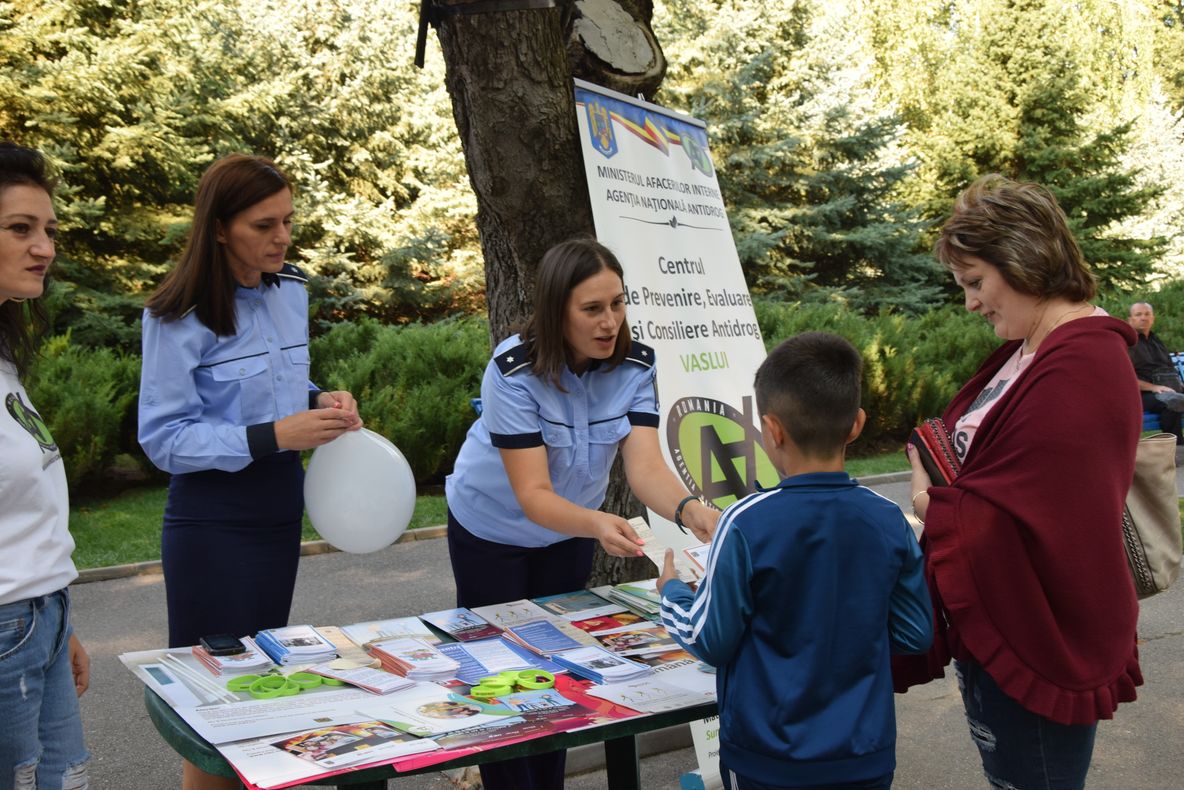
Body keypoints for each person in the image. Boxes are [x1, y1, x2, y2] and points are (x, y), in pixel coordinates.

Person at [444, 237, 720, 790]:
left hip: (566, 534)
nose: (610, 322)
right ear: (555, 310)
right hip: (491, 531)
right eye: (592, 309)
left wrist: (692, 509)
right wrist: (597, 524)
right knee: (502, 675)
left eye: (618, 304)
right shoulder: (512, 369)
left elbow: (644, 468)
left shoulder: (637, 364)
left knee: (555, 670)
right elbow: (532, 493)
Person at [899, 174, 1142, 789]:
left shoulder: (1080, 359)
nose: (971, 303)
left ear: (1023, 258)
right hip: (1003, 616)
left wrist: (934, 504)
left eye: (976, 282)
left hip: (1039, 626)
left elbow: (1049, 512)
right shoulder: (1035, 347)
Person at [138, 154, 361, 790]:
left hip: (276, 511)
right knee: (214, 701)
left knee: (264, 682)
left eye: (288, 221)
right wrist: (273, 436)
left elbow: (282, 382)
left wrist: (321, 400)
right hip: (213, 520)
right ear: (218, 228)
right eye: (265, 225)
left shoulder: (290, 291)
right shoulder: (175, 313)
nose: (283, 237)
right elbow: (164, 439)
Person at [657, 331, 933, 790]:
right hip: (863, 755)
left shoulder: (743, 522)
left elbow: (709, 639)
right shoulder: (888, 519)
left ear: (772, 430)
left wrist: (671, 593)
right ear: (857, 424)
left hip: (767, 758)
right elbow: (914, 633)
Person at [0, 142, 91, 788]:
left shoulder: (5, 362)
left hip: (40, 620)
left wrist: (60, 626)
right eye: (20, 229)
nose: (44, 248)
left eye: (49, 231)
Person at [1127, 301, 1184, 448]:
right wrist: (1153, 387)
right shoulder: (1126, 343)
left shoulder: (1156, 341)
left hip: (1168, 388)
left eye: (1147, 314)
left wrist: (1179, 383)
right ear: (1130, 319)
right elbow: (1125, 377)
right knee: (1173, 401)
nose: (1143, 318)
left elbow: (1168, 368)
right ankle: (1176, 449)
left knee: (1174, 397)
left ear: (1153, 318)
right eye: (1138, 314)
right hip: (1142, 394)